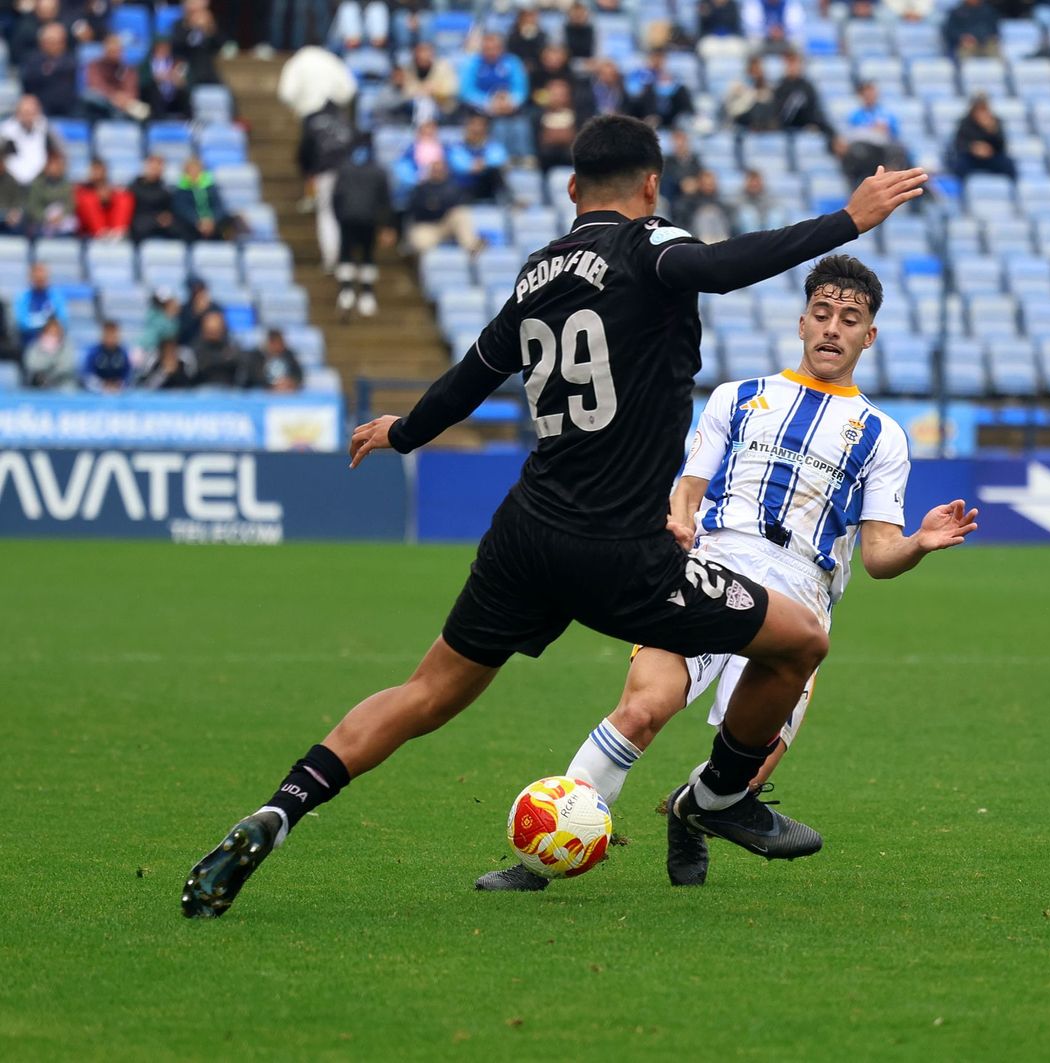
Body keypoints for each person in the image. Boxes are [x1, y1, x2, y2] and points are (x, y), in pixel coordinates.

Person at [181, 115, 925, 922]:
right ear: (650, 187)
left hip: (525, 534)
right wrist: (847, 220)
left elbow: (472, 374)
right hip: (621, 552)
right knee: (801, 641)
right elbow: (722, 264)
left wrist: (401, 430)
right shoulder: (653, 246)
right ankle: (716, 797)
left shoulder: (537, 274)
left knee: (425, 691)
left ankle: (281, 808)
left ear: (573, 190)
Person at [475, 255, 977, 892]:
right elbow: (687, 488)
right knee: (641, 709)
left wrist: (921, 544)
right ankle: (536, 864)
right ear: (801, 322)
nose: (832, 328)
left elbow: (879, 556)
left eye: (849, 319)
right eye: (822, 314)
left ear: (868, 336)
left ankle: (691, 811)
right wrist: (678, 521)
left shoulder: (882, 435)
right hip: (712, 567)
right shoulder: (738, 398)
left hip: (800, 592)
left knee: (749, 766)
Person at [332, 141, 394, 320]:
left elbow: (336, 197)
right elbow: (386, 200)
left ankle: (348, 291)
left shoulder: (344, 169)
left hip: (351, 219)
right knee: (366, 255)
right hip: (366, 219)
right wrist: (387, 225)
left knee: (349, 253)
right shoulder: (378, 171)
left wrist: (339, 216)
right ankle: (364, 293)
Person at [298, 101, 358, 271]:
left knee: (326, 214)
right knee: (345, 214)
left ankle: (331, 257)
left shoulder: (313, 122)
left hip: (324, 173)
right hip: (348, 174)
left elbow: (305, 150)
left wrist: (307, 172)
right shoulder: (347, 123)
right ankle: (346, 257)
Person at [460, 33, 533, 165]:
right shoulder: (472, 63)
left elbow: (520, 88)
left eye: (495, 48)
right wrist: (489, 101)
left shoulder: (512, 62)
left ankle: (524, 159)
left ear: (501, 48)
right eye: (487, 48)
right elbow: (466, 91)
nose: (491, 52)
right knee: (498, 127)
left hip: (510, 108)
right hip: (481, 110)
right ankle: (500, 160)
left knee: (520, 126)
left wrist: (511, 101)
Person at [406, 159, 482, 255]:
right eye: (435, 170)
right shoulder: (420, 189)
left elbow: (459, 204)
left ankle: (471, 246)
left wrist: (436, 205)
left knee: (462, 213)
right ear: (429, 171)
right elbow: (415, 210)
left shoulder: (454, 187)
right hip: (427, 226)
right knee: (419, 241)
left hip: (446, 224)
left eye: (440, 170)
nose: (437, 173)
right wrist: (434, 207)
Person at [842, 81, 909, 187]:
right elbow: (854, 136)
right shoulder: (855, 115)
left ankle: (891, 179)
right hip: (867, 154)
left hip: (885, 151)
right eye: (867, 93)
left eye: (872, 92)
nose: (870, 96)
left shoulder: (887, 113)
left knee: (899, 149)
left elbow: (895, 134)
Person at [773, 49, 836, 141]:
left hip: (806, 125)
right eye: (790, 63)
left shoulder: (807, 86)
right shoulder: (780, 86)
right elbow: (779, 112)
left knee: (827, 129)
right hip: (785, 127)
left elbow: (814, 108)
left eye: (795, 62)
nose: (793, 67)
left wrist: (813, 124)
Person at [85, 33, 148, 122]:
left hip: (124, 105)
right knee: (90, 96)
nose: (114, 54)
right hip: (102, 106)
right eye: (111, 51)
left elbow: (132, 89)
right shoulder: (95, 66)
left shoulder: (127, 68)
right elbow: (96, 85)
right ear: (105, 51)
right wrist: (113, 96)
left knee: (141, 110)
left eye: (117, 51)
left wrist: (124, 98)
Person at [951, 94, 1015, 180]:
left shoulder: (995, 122)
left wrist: (992, 131)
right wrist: (973, 148)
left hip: (991, 158)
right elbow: (959, 144)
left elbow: (1001, 146)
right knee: (960, 165)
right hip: (971, 158)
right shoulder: (965, 123)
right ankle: (960, 191)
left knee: (1008, 164)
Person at [626, 49, 694, 130]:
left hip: (673, 121)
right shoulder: (644, 82)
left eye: (660, 59)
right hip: (649, 121)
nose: (657, 62)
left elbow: (685, 107)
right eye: (654, 59)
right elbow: (636, 101)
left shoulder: (677, 85)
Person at [448, 114, 509, 203]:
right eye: (473, 125)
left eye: (480, 125)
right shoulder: (457, 146)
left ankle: (505, 203)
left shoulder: (492, 145)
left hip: (488, 186)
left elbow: (500, 158)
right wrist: (473, 166)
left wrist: (484, 163)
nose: (476, 129)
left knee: (496, 173)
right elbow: (457, 164)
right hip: (465, 187)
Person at [174, 156, 237, 241]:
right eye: (191, 170)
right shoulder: (181, 190)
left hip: (213, 224)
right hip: (192, 227)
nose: (194, 173)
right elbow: (183, 210)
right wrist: (198, 222)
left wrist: (212, 221)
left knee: (232, 220)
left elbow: (219, 206)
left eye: (197, 170)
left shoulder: (211, 187)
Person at [21, 23, 78, 118]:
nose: (53, 45)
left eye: (57, 42)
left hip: (69, 108)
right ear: (41, 43)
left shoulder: (72, 60)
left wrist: (48, 71)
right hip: (40, 107)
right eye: (49, 42)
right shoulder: (32, 60)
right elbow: (28, 82)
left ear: (63, 42)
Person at [0, 96, 59, 185]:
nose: (28, 117)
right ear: (18, 113)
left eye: (31, 113)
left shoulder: (47, 129)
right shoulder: (6, 131)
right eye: (25, 113)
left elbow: (59, 153)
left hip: (41, 180)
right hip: (9, 180)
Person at [400, 41, 459, 124]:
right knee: (423, 103)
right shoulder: (409, 68)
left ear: (432, 53)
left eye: (426, 52)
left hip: (442, 108)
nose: (423, 56)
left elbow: (452, 89)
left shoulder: (443, 66)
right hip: (414, 108)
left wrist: (435, 91)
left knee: (427, 104)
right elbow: (406, 92)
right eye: (420, 52)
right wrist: (424, 91)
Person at [75, 158, 134, 240]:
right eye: (94, 170)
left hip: (110, 223)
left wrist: (109, 197)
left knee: (124, 198)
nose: (97, 173)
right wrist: (96, 196)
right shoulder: (83, 188)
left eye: (99, 169)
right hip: (91, 228)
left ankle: (117, 232)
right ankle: (101, 233)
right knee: (87, 200)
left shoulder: (112, 187)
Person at [139, 37, 193, 121]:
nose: (164, 49)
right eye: (161, 47)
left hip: (173, 97)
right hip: (155, 99)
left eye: (166, 46)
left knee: (183, 93)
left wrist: (179, 80)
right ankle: (158, 122)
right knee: (154, 91)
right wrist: (156, 78)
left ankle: (187, 121)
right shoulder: (146, 64)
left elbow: (188, 81)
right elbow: (142, 83)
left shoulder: (177, 62)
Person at [676, 170, 736, 242]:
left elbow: (729, 221)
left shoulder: (720, 201)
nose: (709, 187)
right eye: (706, 184)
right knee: (706, 215)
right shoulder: (690, 200)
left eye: (711, 184)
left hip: (719, 233)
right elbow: (682, 219)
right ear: (699, 184)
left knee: (713, 213)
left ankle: (722, 244)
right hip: (695, 233)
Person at [173, 0, 223, 85]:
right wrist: (192, 27)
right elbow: (180, 47)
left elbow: (219, 45)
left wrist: (208, 29)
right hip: (187, 70)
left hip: (208, 72)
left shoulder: (210, 24)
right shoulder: (179, 25)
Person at [25, 153, 76, 237]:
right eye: (53, 165)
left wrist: (60, 216)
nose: (56, 168)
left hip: (61, 220)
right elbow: (33, 207)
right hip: (42, 221)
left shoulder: (66, 184)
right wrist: (46, 218)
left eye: (58, 165)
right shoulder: (38, 183)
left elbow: (70, 204)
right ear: (47, 166)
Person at [240, 328, 305, 392]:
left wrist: (291, 382)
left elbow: (299, 375)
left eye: (282, 343)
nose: (281, 347)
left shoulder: (288, 354)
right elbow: (252, 379)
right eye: (278, 343)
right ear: (270, 343)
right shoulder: (255, 356)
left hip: (285, 395)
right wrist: (272, 385)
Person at [190, 307, 243, 386]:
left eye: (217, 328)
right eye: (211, 329)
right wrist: (223, 360)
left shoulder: (231, 346)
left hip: (229, 391)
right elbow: (201, 366)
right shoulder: (195, 348)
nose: (214, 332)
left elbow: (237, 364)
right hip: (201, 391)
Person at [22, 316, 75, 389]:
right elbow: (31, 363)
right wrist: (47, 354)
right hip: (39, 383)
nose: (52, 335)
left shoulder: (66, 346)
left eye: (55, 333)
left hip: (61, 383)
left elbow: (67, 366)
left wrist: (51, 359)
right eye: (49, 332)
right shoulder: (35, 346)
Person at [81, 320, 133, 393]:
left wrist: (119, 384)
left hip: (118, 390)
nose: (111, 339)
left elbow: (127, 374)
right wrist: (102, 385)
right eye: (108, 335)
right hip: (97, 390)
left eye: (113, 335)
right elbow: (88, 373)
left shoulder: (123, 353)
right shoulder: (94, 352)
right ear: (102, 336)